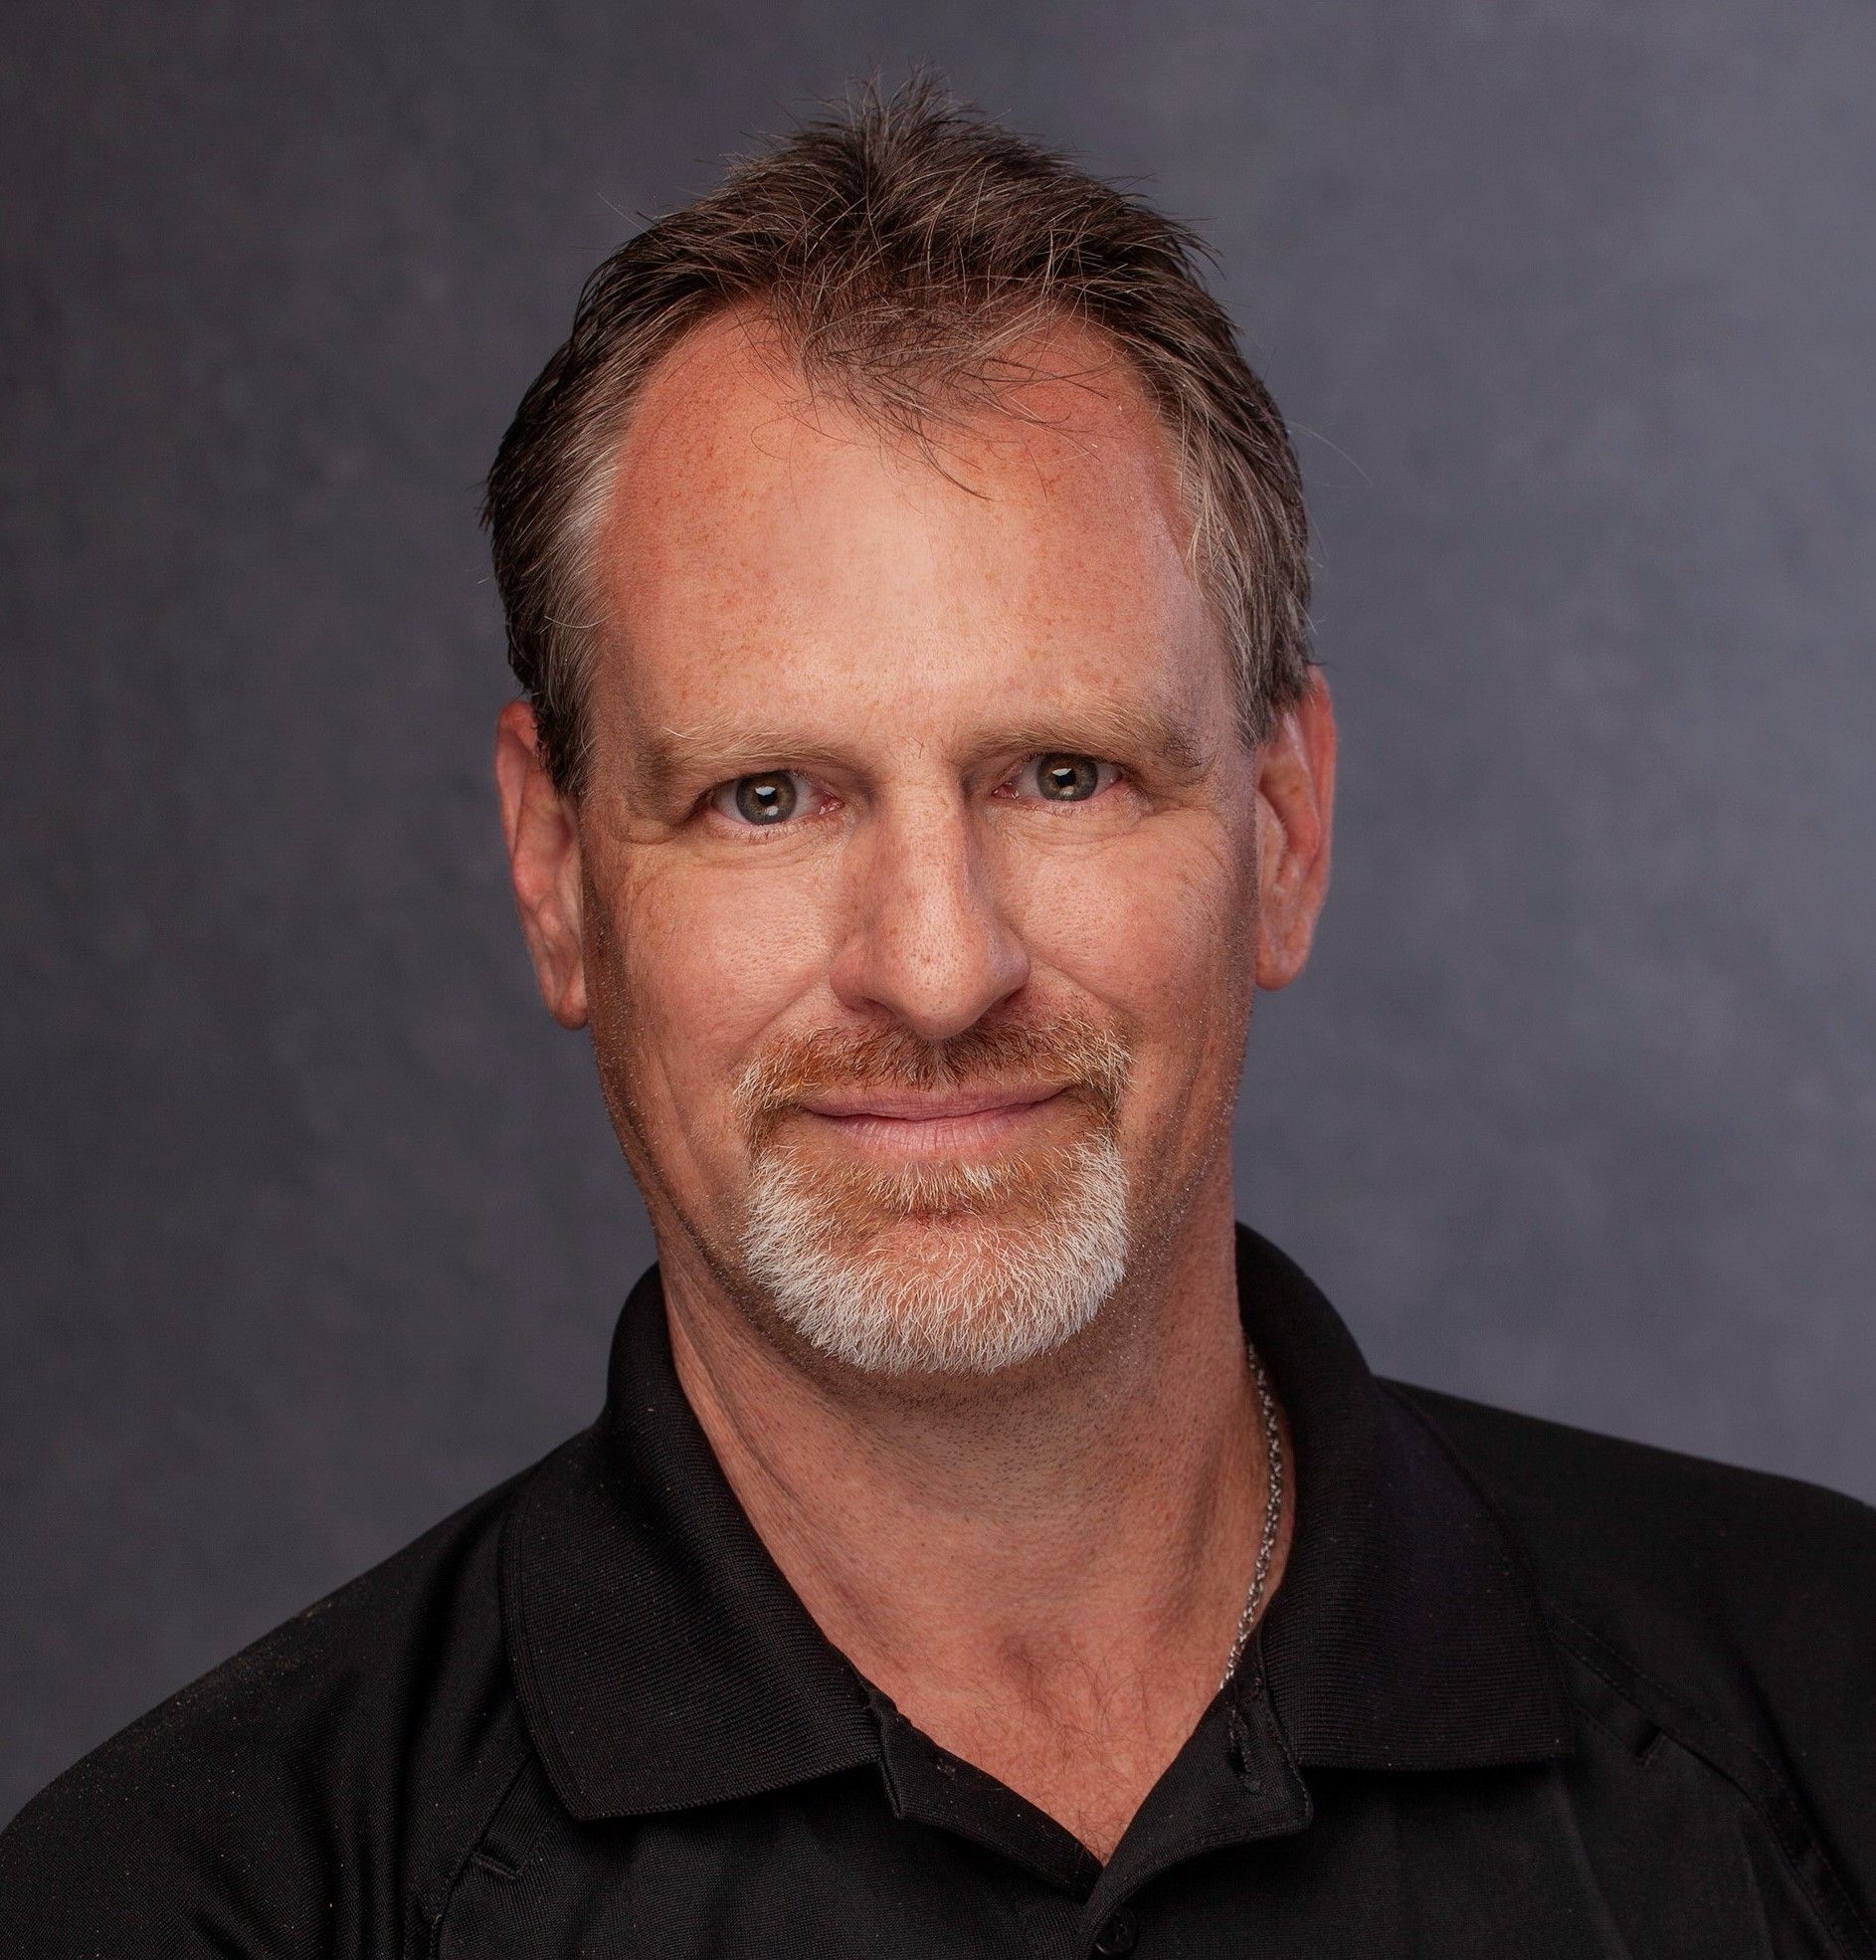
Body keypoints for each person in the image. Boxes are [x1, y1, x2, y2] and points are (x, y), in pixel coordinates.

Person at [5, 75, 1873, 1960]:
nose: (934, 965)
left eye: (1060, 774)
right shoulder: (201, 1903)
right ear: (558, 874)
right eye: (767, 795)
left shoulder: (1823, 1739)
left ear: (1283, 831)